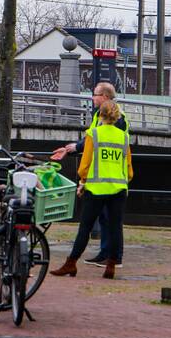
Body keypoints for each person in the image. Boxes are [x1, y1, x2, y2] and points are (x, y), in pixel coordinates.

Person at [51, 100, 133, 280]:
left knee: (85, 227)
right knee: (115, 227)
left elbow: (84, 165)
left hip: (96, 189)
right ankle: (111, 266)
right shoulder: (124, 137)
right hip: (119, 189)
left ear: (100, 115)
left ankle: (71, 263)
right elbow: (129, 169)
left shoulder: (93, 134)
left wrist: (83, 181)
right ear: (117, 116)